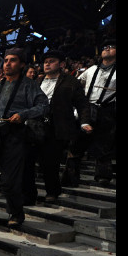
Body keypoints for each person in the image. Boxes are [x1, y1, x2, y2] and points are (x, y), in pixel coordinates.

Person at [0, 47, 49, 228]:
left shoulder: (29, 85)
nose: (7, 64)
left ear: (22, 64)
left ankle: (16, 213)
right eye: (6, 60)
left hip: (15, 137)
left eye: (12, 60)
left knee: (10, 179)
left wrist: (23, 115)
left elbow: (44, 106)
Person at [36, 50, 91, 201]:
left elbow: (82, 104)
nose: (47, 64)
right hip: (35, 125)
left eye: (51, 61)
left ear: (61, 64)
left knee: (50, 160)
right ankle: (29, 193)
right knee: (32, 159)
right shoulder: (37, 81)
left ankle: (52, 192)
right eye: (45, 61)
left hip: (57, 125)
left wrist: (84, 121)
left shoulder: (70, 81)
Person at [75, 39, 116, 186]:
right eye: (105, 47)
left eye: (111, 47)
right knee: (77, 142)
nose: (107, 49)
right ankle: (71, 176)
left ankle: (103, 176)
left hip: (107, 109)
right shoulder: (92, 69)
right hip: (87, 108)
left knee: (104, 143)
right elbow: (78, 83)